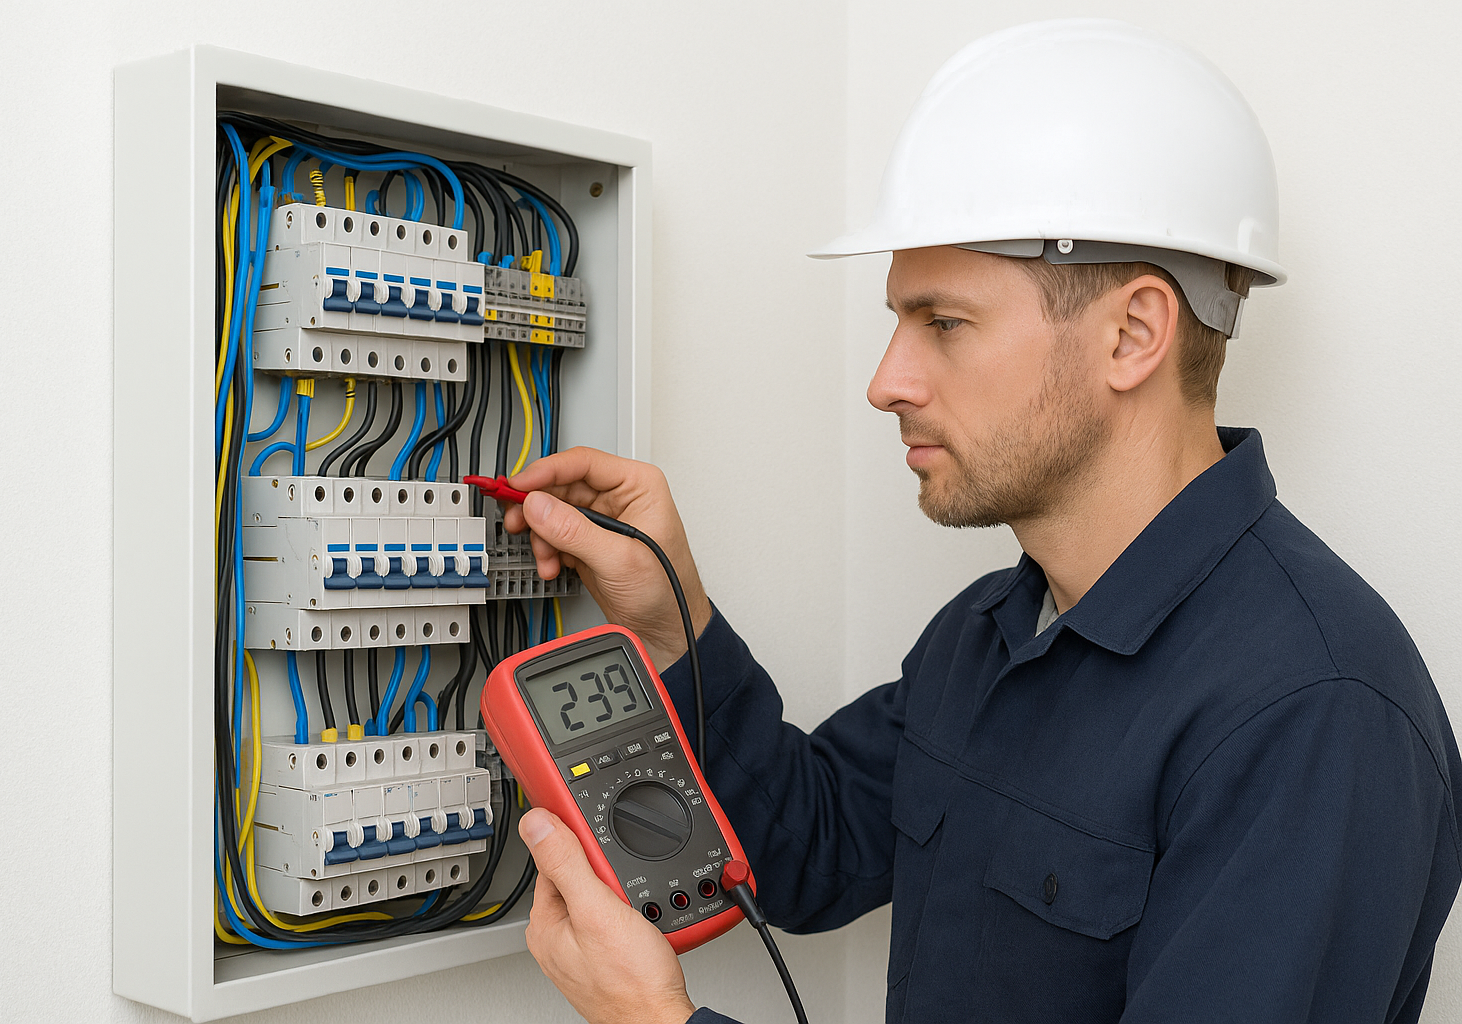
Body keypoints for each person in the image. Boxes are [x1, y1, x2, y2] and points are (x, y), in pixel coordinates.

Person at [504, 19, 1462, 1024]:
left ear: (1133, 333)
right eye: (896, 320)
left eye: (944, 323)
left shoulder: (1315, 712)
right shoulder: (993, 633)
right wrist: (673, 621)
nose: (885, 382)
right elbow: (807, 848)